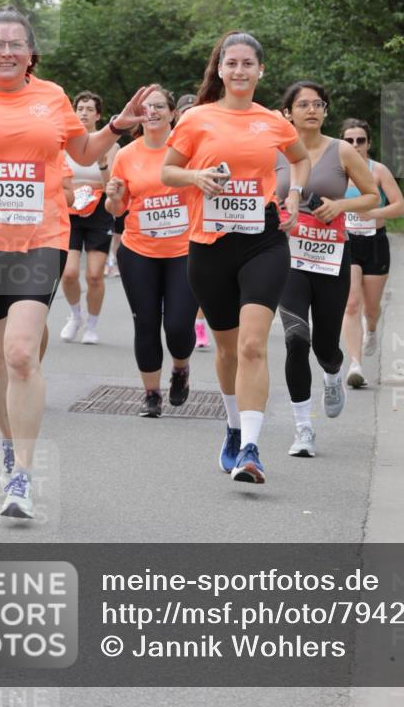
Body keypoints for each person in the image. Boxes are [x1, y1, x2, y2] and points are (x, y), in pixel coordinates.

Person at [0, 5, 157, 519]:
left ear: (30, 53)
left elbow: (84, 153)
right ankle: (8, 440)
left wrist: (116, 126)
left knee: (21, 353)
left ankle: (21, 472)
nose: (4, 51)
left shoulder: (52, 97)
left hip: (40, 237)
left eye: (15, 44)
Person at [162, 30, 310, 484]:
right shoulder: (196, 119)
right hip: (209, 245)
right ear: (220, 70)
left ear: (260, 70)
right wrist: (196, 176)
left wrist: (295, 199)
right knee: (226, 350)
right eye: (232, 63)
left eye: (248, 63)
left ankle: (250, 447)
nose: (240, 70)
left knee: (251, 345)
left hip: (262, 240)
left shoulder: (273, 122)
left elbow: (299, 159)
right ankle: (231, 426)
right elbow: (167, 171)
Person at [276, 83, 380, 456]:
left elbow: (373, 196)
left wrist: (340, 207)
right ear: (287, 112)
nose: (311, 110)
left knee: (323, 344)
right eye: (302, 104)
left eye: (318, 104)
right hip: (288, 256)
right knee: (295, 338)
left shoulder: (343, 151)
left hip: (331, 255)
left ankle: (333, 373)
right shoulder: (276, 151)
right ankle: (304, 428)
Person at [105, 87, 198, 417]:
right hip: (138, 251)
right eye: (146, 108)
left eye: (160, 106)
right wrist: (113, 196)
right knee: (145, 323)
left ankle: (180, 368)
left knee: (177, 324)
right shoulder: (126, 155)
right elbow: (116, 208)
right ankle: (151, 394)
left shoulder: (190, 151)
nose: (153, 112)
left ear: (173, 113)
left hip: (184, 252)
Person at [340, 118, 404, 387]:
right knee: (351, 304)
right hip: (346, 242)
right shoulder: (336, 171)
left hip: (375, 243)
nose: (355, 145)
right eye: (349, 140)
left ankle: (372, 328)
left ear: (368, 143)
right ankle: (355, 365)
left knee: (371, 307)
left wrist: (372, 213)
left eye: (360, 140)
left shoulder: (378, 170)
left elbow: (400, 206)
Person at [60, 91, 118, 345]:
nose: (83, 113)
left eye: (89, 109)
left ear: (98, 115)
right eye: (79, 108)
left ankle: (92, 325)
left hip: (98, 211)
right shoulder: (63, 143)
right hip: (70, 210)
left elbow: (112, 186)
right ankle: (75, 316)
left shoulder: (111, 145)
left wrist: (103, 164)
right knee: (69, 273)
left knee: (94, 275)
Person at [175, 93, 210, 350]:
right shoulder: (171, 145)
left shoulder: (208, 143)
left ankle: (199, 324)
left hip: (200, 218)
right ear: (177, 115)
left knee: (201, 279)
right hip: (172, 225)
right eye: (184, 111)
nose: (189, 115)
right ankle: (187, 322)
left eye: (193, 111)